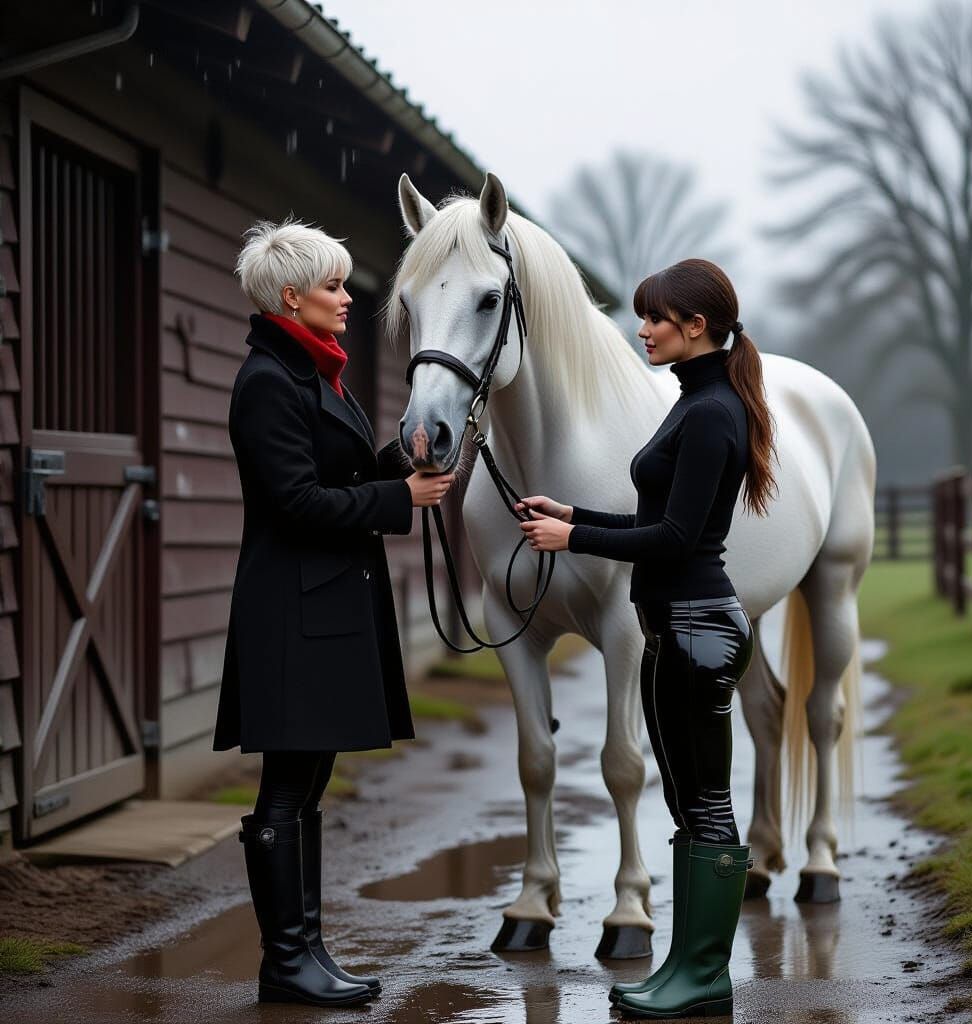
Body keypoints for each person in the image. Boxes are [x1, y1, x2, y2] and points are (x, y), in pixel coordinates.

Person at [517, 258, 777, 1020]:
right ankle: (684, 968)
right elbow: (656, 523)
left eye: (656, 319)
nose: (642, 330)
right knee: (688, 801)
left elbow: (675, 538)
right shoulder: (695, 402)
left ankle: (702, 974)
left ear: (696, 326)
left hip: (698, 629)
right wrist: (572, 517)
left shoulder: (710, 414)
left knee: (705, 804)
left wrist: (576, 539)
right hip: (679, 626)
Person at [212, 218, 454, 1008]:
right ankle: (286, 961)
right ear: (292, 296)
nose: (347, 299)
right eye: (333, 286)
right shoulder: (268, 382)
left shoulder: (312, 372)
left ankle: (306, 950)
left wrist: (399, 455)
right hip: (291, 609)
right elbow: (295, 501)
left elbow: (334, 469)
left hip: (322, 605)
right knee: (286, 786)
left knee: (307, 782)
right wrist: (400, 498)